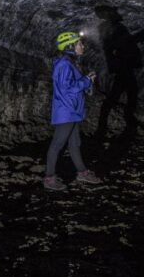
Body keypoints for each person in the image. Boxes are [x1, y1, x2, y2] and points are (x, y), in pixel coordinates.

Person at [43, 31, 103, 191]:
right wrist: (86, 80)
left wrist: (87, 81)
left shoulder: (69, 63)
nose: (82, 46)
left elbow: (73, 86)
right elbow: (66, 88)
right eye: (79, 44)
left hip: (73, 110)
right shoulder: (63, 64)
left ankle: (82, 172)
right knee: (57, 145)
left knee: (75, 143)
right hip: (66, 111)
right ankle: (49, 178)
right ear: (69, 46)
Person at [94, 5, 144, 136]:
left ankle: (108, 124)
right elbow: (120, 44)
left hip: (123, 65)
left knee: (124, 92)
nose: (117, 13)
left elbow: (122, 43)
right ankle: (124, 124)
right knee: (126, 93)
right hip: (122, 65)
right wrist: (138, 37)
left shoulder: (112, 27)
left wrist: (136, 38)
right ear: (108, 14)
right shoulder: (110, 27)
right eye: (113, 11)